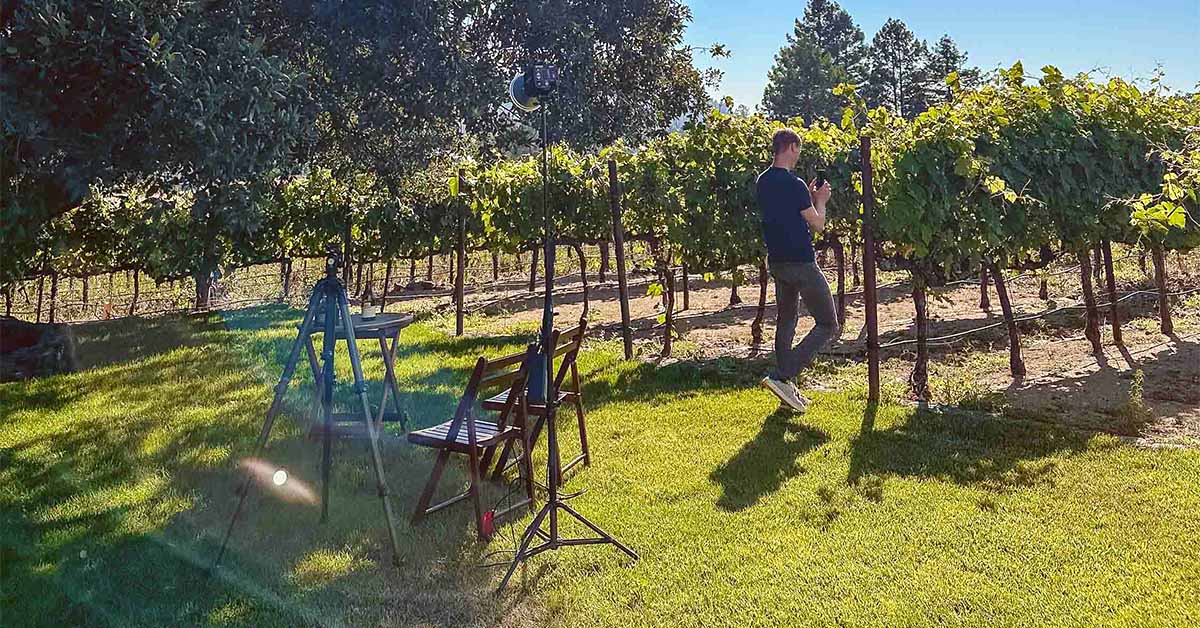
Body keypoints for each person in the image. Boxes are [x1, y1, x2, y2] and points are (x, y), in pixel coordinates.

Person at [757, 128, 837, 413]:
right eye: (798, 149)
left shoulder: (762, 181)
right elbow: (817, 224)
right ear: (790, 147)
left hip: (777, 261)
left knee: (787, 320)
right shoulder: (795, 184)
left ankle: (785, 388)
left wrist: (808, 197)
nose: (798, 155)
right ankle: (782, 375)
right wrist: (821, 200)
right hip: (801, 262)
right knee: (828, 323)